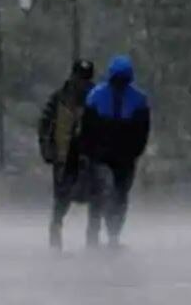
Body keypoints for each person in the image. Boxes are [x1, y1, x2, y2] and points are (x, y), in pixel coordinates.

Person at [80, 55, 150, 249]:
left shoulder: (138, 99)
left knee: (119, 195)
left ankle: (113, 235)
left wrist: (136, 151)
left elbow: (142, 130)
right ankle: (94, 234)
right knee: (102, 192)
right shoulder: (96, 96)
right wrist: (88, 152)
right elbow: (87, 129)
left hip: (124, 157)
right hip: (101, 156)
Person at [38, 59, 96, 250]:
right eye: (80, 77)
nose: (83, 83)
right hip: (64, 157)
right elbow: (45, 124)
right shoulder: (59, 99)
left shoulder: (97, 98)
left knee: (95, 199)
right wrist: (48, 150)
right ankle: (55, 237)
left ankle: (92, 241)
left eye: (86, 79)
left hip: (90, 158)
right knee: (62, 199)